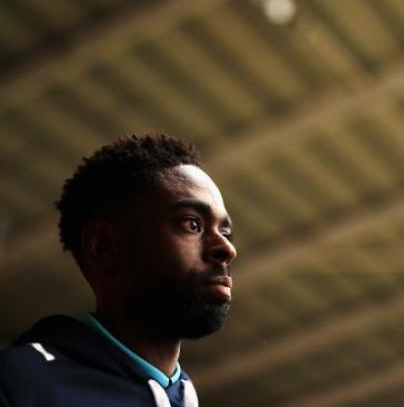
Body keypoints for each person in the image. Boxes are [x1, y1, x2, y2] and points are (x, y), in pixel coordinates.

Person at [0, 134, 237, 407]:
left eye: (225, 232)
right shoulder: (19, 385)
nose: (227, 249)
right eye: (192, 224)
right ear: (104, 247)